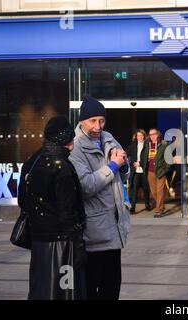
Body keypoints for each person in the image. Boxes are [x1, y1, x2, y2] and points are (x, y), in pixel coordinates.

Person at [69, 96, 131, 300]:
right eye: (93, 121)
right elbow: (85, 186)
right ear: (81, 121)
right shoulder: (76, 146)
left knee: (112, 288)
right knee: (91, 288)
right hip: (94, 231)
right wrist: (113, 166)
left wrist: (123, 165)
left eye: (102, 120)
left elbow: (123, 172)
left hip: (114, 227)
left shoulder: (109, 137)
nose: (98, 126)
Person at [18, 115, 86, 300]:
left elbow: (22, 201)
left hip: (39, 243)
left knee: (41, 290)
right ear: (66, 140)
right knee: (65, 292)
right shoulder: (62, 167)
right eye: (71, 139)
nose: (73, 145)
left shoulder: (33, 162)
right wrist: (78, 244)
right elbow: (68, 213)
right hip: (61, 245)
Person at [141, 128, 171, 217]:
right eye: (150, 135)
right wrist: (142, 165)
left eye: (154, 134)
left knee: (160, 190)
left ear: (158, 134)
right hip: (150, 171)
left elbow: (168, 159)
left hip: (160, 171)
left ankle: (159, 210)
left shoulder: (163, 145)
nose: (152, 136)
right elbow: (143, 156)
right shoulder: (147, 145)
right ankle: (161, 204)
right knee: (153, 192)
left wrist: (165, 169)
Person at [126, 129, 151, 213]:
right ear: (136, 137)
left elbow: (148, 158)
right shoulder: (133, 145)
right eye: (138, 135)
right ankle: (133, 207)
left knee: (146, 188)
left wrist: (140, 163)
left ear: (144, 136)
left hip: (144, 170)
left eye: (141, 135)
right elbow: (126, 155)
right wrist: (132, 163)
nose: (140, 137)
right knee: (134, 189)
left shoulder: (147, 145)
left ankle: (147, 204)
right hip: (135, 171)